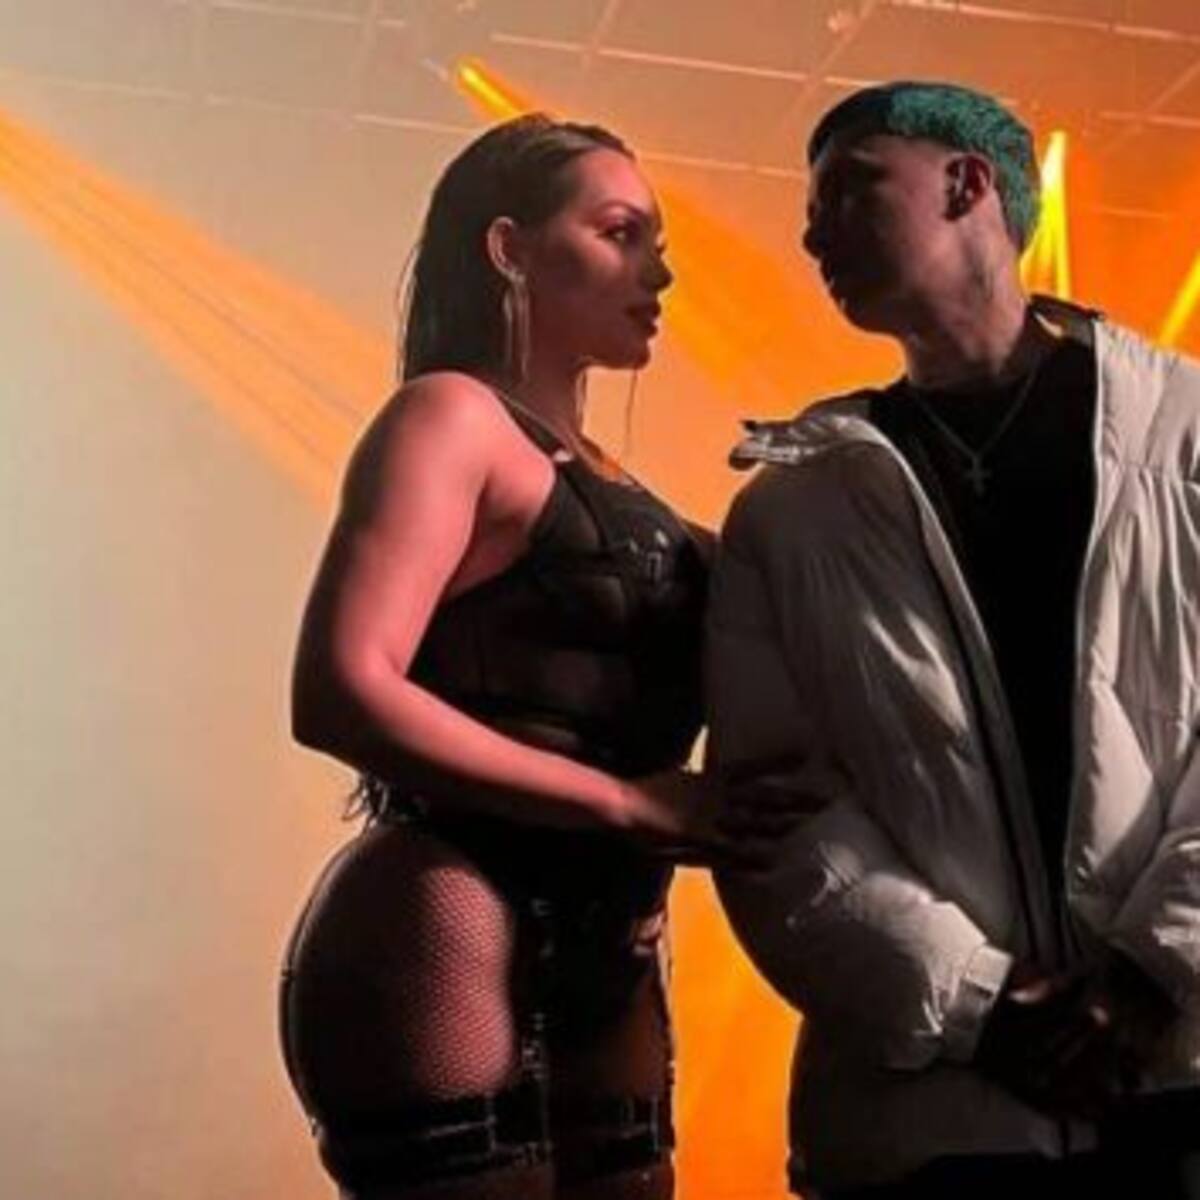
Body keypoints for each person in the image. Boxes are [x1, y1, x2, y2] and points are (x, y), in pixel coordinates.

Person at [707, 81, 1200, 1199]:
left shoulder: (1188, 436)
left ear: (966, 183)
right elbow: (772, 812)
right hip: (935, 1130)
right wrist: (980, 1003)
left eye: (849, 189)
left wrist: (1155, 973)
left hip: (1182, 1087)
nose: (811, 234)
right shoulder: (789, 511)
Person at [281, 114, 755, 1200]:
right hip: (446, 912)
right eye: (620, 233)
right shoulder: (450, 419)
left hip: (610, 947)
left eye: (660, 242)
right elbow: (339, 689)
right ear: (510, 249)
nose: (661, 272)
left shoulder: (619, 485)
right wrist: (625, 804)